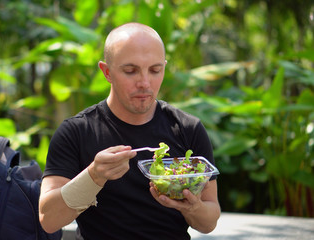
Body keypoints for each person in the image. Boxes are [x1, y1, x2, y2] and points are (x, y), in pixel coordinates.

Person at [39, 22, 220, 240]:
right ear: (106, 72)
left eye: (155, 70)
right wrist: (93, 176)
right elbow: (48, 219)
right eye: (130, 71)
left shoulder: (187, 129)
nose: (144, 82)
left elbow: (209, 222)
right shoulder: (76, 131)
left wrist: (192, 207)